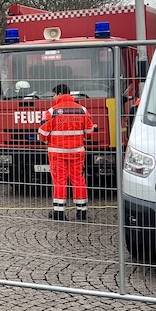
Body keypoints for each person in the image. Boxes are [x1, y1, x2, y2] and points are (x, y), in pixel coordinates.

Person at [37, 83, 93, 221]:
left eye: (53, 95)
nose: (53, 97)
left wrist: (48, 141)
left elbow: (42, 132)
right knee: (79, 180)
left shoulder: (51, 111)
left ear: (59, 94)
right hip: (77, 152)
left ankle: (59, 212)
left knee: (59, 180)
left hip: (57, 153)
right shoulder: (82, 110)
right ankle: (81, 211)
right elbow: (89, 131)